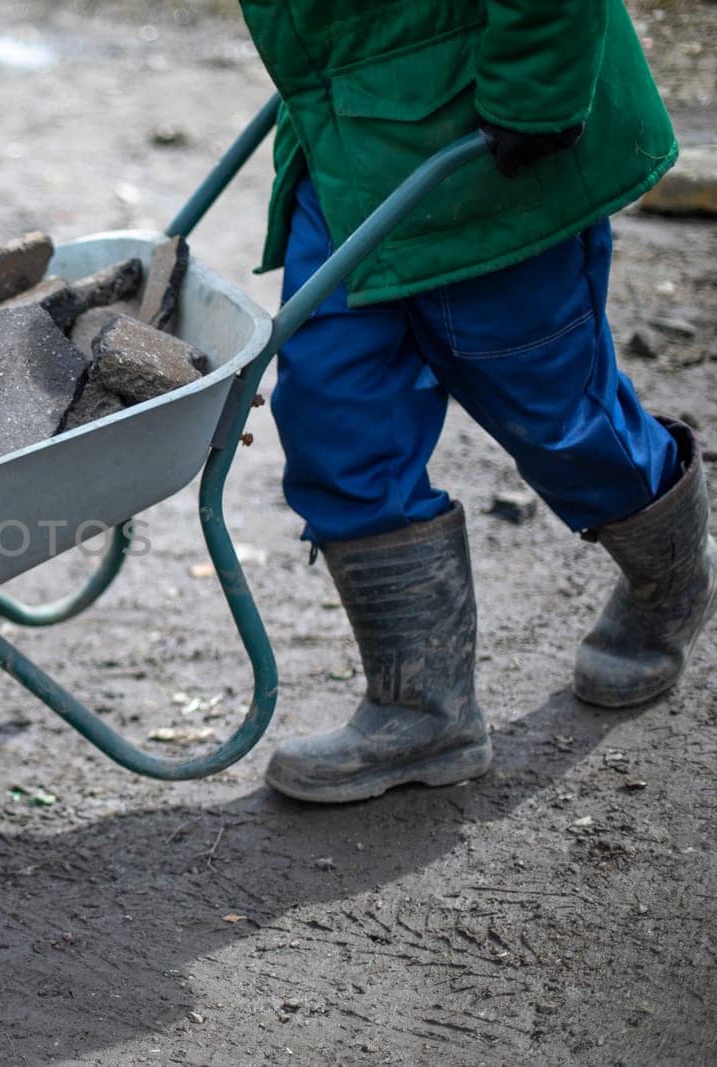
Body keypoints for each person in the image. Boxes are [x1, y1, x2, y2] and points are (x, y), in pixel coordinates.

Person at [234, 0, 717, 802]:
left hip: (489, 143)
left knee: (558, 414)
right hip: (351, 146)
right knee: (332, 411)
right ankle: (422, 707)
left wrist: (536, 87)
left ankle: (673, 585)